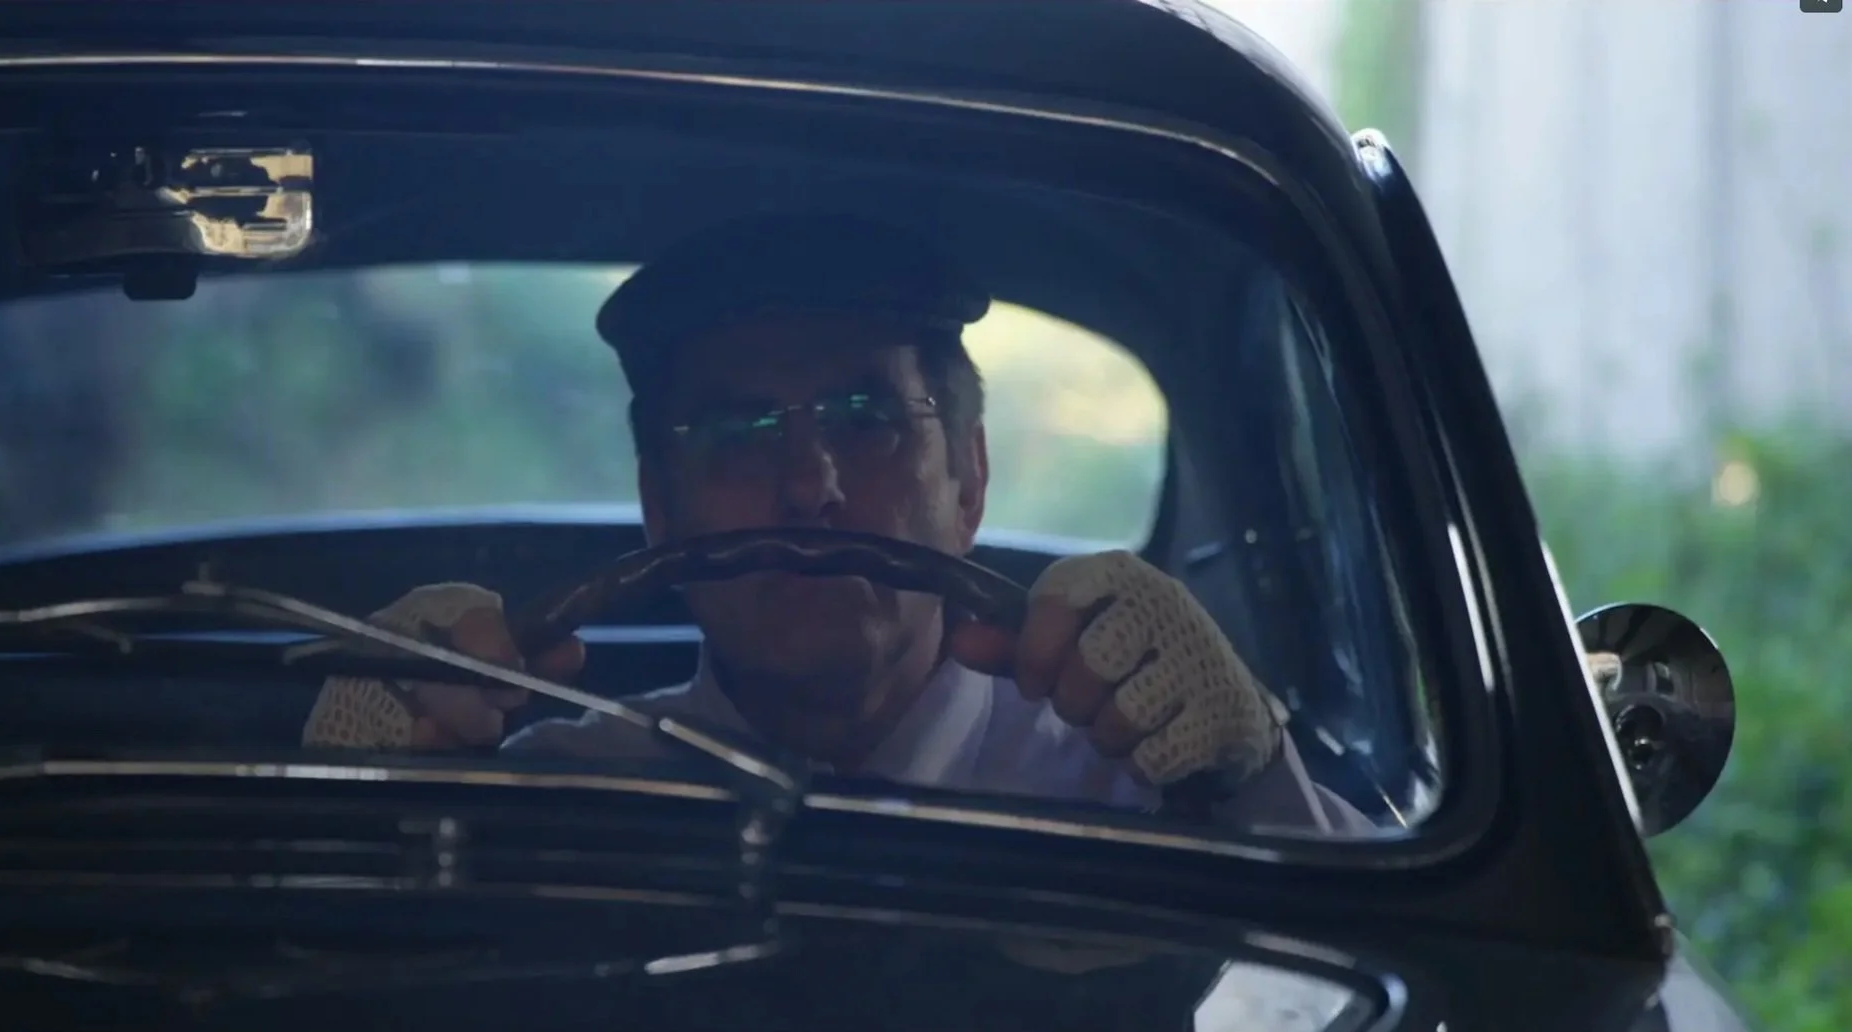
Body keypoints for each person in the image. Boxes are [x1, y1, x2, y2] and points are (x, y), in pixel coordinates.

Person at [304, 210, 1369, 835]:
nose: (807, 487)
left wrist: (1251, 770)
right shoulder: (555, 810)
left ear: (970, 482)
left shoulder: (1142, 790)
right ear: (657, 510)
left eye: (868, 420)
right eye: (734, 431)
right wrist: (346, 818)